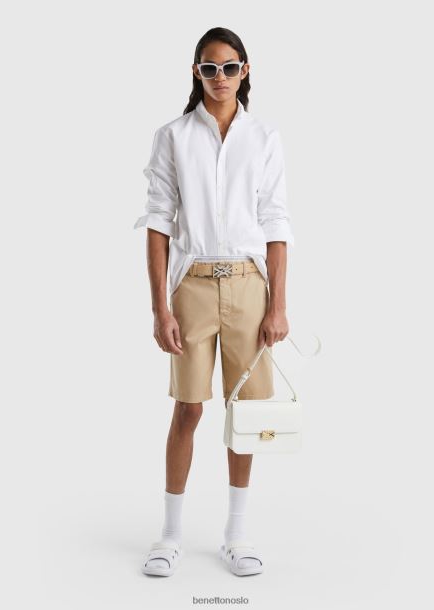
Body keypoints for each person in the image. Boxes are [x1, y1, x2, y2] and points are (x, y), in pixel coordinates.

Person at [134, 27, 295, 577]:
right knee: (188, 407)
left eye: (229, 67)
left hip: (249, 286)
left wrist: (278, 304)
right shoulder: (173, 137)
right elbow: (158, 223)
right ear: (196, 72)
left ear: (245, 71)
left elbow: (276, 221)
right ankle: (170, 536)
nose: (220, 77)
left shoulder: (264, 137)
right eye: (209, 67)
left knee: (245, 414)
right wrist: (160, 308)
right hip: (194, 285)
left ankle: (237, 535)